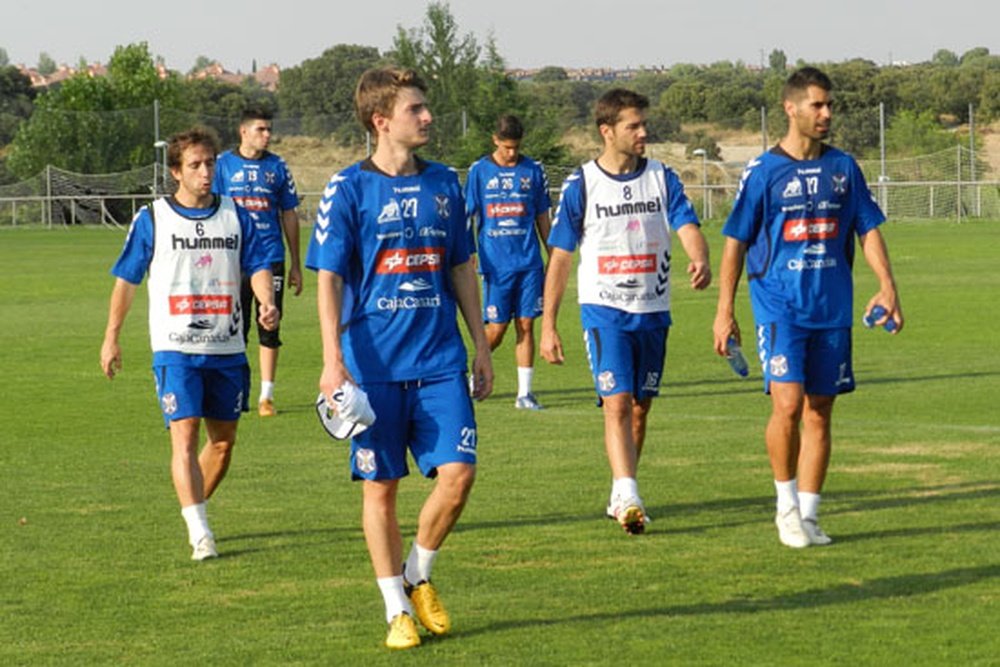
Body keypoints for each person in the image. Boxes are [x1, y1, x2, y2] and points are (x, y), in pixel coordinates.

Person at [305, 67, 493, 650]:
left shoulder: (445, 183)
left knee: (459, 476)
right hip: (373, 366)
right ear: (381, 121)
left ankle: (417, 574)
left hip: (439, 358)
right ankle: (395, 607)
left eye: (426, 107)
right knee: (380, 489)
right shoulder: (348, 187)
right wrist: (332, 361)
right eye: (416, 109)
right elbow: (330, 278)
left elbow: (460, 265)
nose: (429, 116)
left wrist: (482, 344)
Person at [713, 67, 904, 548]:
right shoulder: (763, 173)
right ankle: (785, 508)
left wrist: (887, 286)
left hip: (832, 308)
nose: (826, 114)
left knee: (821, 410)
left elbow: (868, 228)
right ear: (790, 108)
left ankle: (812, 515)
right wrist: (724, 310)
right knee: (789, 404)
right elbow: (735, 243)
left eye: (829, 105)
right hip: (779, 307)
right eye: (817, 105)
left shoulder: (844, 167)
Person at [100, 126, 278, 561]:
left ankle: (192, 504)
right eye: (195, 165)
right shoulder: (153, 218)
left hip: (227, 346)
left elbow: (256, 263)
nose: (205, 172)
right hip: (175, 346)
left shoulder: (236, 214)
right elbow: (127, 280)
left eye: (210, 163)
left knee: (222, 442)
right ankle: (200, 531)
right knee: (185, 436)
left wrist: (266, 300)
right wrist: (112, 337)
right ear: (176, 171)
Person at [541, 88, 711, 535]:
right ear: (607, 131)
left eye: (643, 124)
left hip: (652, 310)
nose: (643, 133)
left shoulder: (662, 177)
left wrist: (699, 255)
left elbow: (686, 223)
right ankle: (630, 493)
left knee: (640, 409)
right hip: (604, 310)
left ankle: (620, 490)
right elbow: (559, 257)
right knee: (616, 402)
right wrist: (549, 325)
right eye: (633, 126)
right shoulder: (583, 184)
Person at [213, 106, 302, 417]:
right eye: (261, 129)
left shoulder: (278, 167)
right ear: (244, 131)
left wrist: (295, 263)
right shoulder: (222, 166)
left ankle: (267, 396)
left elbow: (289, 213)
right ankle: (237, 393)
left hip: (270, 257)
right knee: (235, 329)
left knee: (270, 325)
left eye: (269, 129)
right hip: (231, 260)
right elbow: (212, 209)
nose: (267, 135)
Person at [464, 114, 551, 409]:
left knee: (526, 325)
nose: (512, 153)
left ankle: (524, 394)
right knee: (497, 329)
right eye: (506, 147)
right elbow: (468, 215)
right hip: (495, 263)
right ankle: (465, 377)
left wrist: (554, 254)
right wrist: (468, 250)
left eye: (516, 147)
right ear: (495, 140)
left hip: (528, 263)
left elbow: (542, 215)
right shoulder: (479, 171)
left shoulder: (533, 171)